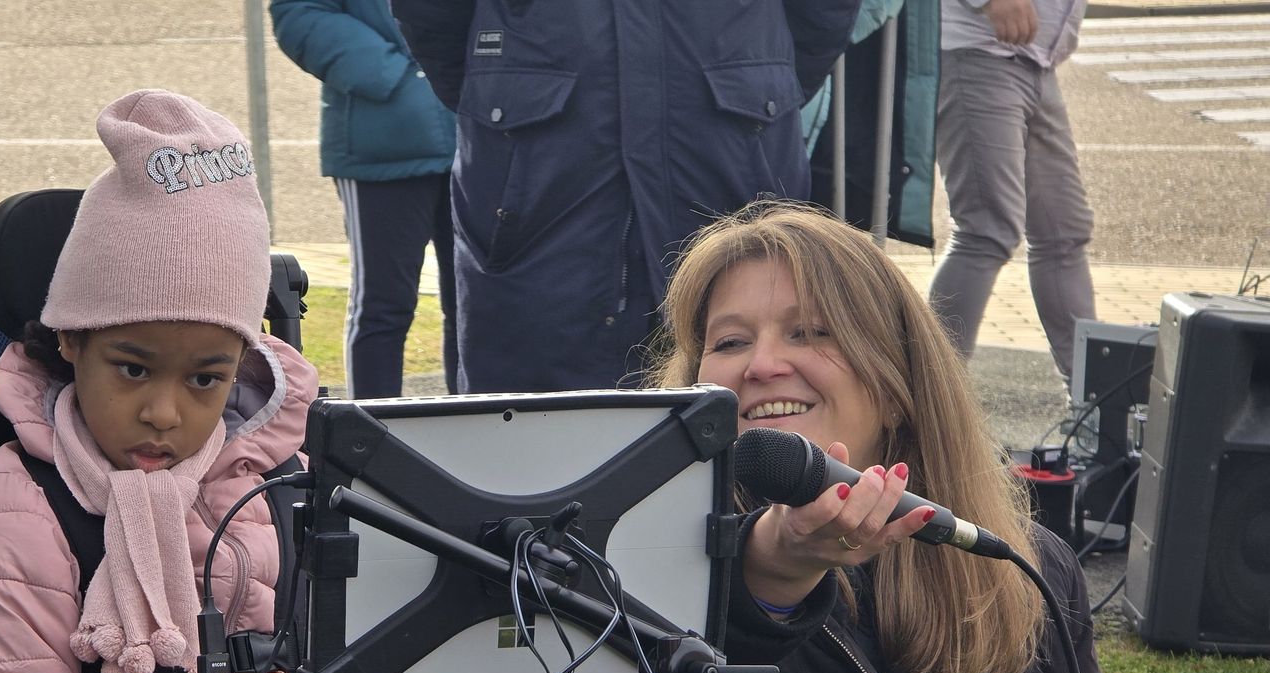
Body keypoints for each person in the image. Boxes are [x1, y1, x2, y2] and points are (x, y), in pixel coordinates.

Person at [0, 89, 619, 673]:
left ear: (241, 366)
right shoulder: (22, 500)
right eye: (132, 367)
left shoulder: (283, 481)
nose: (164, 409)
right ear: (70, 341)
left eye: (203, 379)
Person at [647, 203, 1174, 673]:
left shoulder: (1029, 566)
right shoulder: (633, 575)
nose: (764, 364)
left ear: (897, 386)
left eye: (810, 332)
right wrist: (766, 580)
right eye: (731, 341)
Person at [393, 0, 860, 393]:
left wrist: (759, 73)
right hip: (538, 165)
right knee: (530, 449)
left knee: (746, 445)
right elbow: (432, 17)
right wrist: (500, 81)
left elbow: (822, 16)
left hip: (725, 143)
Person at [268, 0, 458, 398]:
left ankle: (477, 428)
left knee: (475, 304)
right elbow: (300, 12)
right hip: (383, 142)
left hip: (475, 138)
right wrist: (394, 76)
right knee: (384, 306)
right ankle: (367, 439)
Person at [928, 0, 1097, 380]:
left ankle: (1094, 406)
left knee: (1063, 232)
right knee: (986, 231)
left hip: (1038, 60)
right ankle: (929, 406)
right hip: (979, 51)